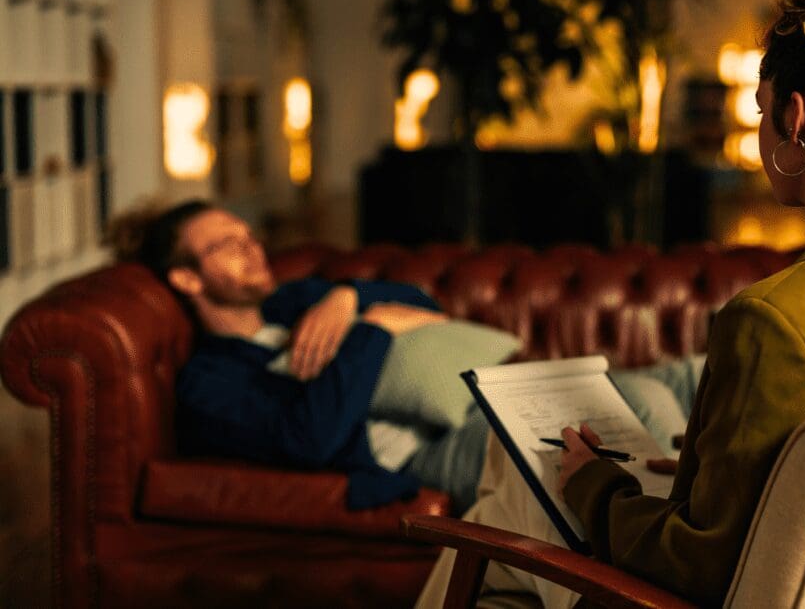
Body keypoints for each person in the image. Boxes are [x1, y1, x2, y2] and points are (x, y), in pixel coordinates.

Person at [415, 0, 805, 606]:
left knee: (510, 498)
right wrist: (701, 469)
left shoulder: (772, 322)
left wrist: (594, 482)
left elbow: (697, 564)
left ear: (795, 120)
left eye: (759, 110)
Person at [108, 199, 697, 514]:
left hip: (476, 399)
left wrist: (344, 299)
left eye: (246, 234)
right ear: (185, 278)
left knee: (694, 374)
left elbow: (420, 303)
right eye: (225, 246)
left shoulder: (297, 301)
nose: (250, 248)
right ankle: (681, 556)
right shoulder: (209, 381)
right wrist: (369, 330)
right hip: (420, 451)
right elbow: (309, 439)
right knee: (643, 399)